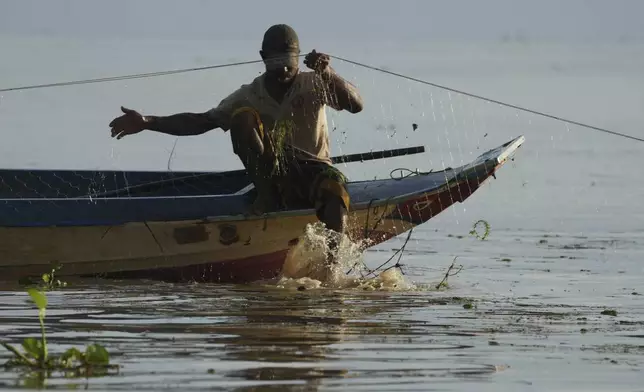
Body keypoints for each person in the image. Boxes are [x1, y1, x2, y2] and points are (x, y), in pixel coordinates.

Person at [109, 24, 363, 263]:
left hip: (313, 168)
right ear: (263, 57)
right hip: (274, 171)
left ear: (298, 58)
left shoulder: (315, 83)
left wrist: (327, 73)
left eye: (289, 63)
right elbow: (201, 122)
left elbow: (355, 105)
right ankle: (267, 194)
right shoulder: (249, 94)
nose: (284, 70)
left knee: (333, 189)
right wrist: (147, 121)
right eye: (277, 63)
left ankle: (332, 270)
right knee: (242, 117)